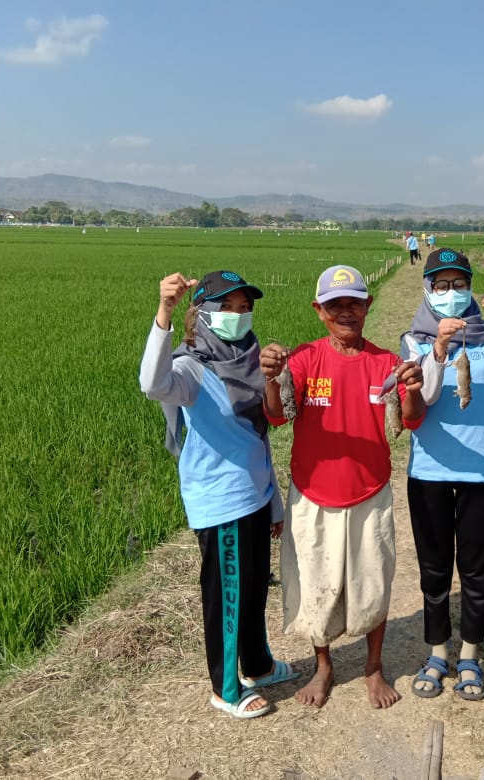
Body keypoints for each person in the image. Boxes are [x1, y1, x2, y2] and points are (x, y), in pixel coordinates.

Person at [259, 265, 426, 709]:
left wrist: (412, 389)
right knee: (315, 582)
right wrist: (270, 378)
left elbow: (411, 420)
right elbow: (277, 416)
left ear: (368, 306)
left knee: (372, 582)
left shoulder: (386, 363)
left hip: (370, 492)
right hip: (312, 494)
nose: (346, 312)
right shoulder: (303, 359)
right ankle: (324, 666)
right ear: (319, 311)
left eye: (354, 303)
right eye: (335, 306)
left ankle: (373, 666)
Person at [139, 270, 299, 720]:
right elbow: (152, 384)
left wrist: (273, 501)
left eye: (245, 307)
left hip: (254, 494)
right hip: (221, 502)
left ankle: (259, 664)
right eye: (226, 307)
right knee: (228, 596)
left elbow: (258, 437)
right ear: (204, 314)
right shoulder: (192, 368)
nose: (238, 315)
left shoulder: (250, 360)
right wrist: (164, 311)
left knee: (254, 588)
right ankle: (226, 688)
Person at [400, 248, 484, 701]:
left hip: (481, 472)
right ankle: (438, 653)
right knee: (434, 570)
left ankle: (470, 656)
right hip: (430, 470)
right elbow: (427, 397)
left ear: (471, 287)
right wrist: (438, 348)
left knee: (476, 571)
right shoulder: (414, 340)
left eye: (459, 284)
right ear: (427, 289)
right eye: (441, 285)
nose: (451, 293)